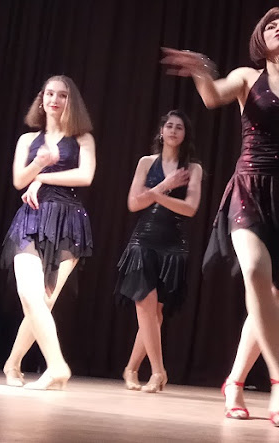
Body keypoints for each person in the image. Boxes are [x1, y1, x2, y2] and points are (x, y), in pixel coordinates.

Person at [160, 6, 279, 425]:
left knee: (268, 300)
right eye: (271, 26)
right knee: (256, 272)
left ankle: (234, 382)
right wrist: (201, 68)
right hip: (249, 190)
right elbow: (212, 97)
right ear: (261, 42)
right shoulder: (247, 77)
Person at [0, 75, 95, 390]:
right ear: (41, 99)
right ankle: (57, 366)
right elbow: (19, 181)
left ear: (71, 101)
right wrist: (38, 165)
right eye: (50, 94)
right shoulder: (28, 140)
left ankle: (13, 363)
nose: (55, 100)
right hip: (31, 219)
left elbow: (85, 176)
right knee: (29, 294)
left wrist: (42, 178)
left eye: (62, 95)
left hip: (68, 221)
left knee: (43, 301)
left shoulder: (82, 139)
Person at [115, 110, 202, 393]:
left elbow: (190, 209)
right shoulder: (146, 162)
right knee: (144, 303)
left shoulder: (193, 169)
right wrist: (163, 187)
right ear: (161, 132)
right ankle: (158, 372)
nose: (173, 130)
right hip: (143, 240)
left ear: (185, 134)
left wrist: (153, 194)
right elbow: (133, 204)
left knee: (156, 314)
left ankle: (131, 368)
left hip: (173, 243)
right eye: (169, 126)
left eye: (179, 127)